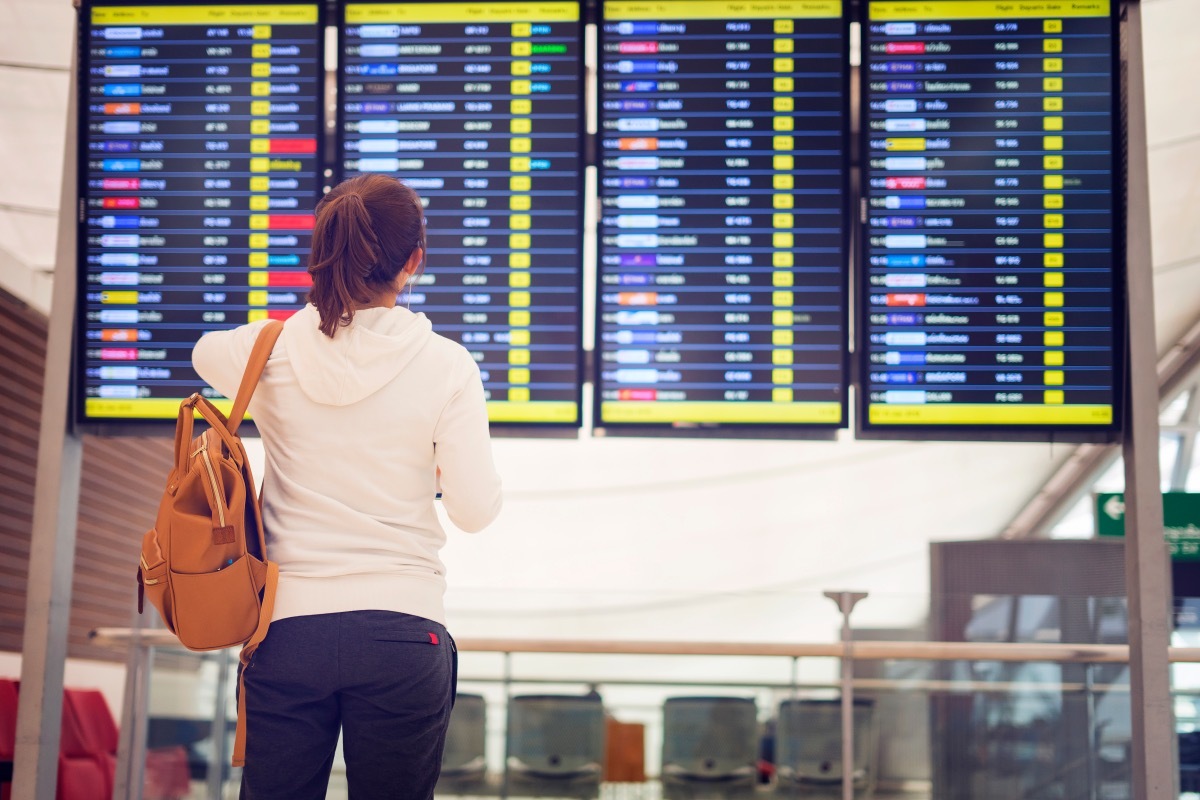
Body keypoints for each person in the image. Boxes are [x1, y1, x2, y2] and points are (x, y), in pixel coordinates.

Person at [192, 173, 503, 799]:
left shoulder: (268, 349)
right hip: (403, 631)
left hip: (286, 631)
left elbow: (205, 352)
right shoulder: (447, 364)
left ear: (321, 252)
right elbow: (474, 511)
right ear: (413, 261)